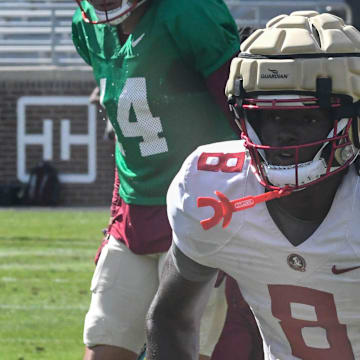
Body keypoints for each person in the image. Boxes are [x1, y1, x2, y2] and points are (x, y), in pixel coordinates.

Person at [146, 10, 360, 360]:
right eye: (270, 115)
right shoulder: (214, 189)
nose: (284, 133)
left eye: (308, 116)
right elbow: (171, 318)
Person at [71, 1, 251, 359]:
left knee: (186, 349)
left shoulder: (187, 12)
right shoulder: (87, 25)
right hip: (134, 215)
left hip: (201, 210)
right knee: (104, 347)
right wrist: (116, 217)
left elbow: (244, 118)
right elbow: (129, 142)